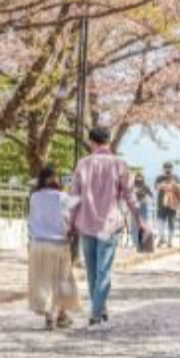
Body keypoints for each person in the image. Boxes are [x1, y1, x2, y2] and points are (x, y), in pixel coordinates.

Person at [70, 126, 146, 328]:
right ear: (109, 142)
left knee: (92, 271)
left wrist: (69, 222)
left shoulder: (82, 164)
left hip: (86, 223)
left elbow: (74, 197)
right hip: (109, 224)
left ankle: (98, 310)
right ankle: (97, 313)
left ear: (92, 142)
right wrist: (140, 221)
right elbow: (130, 196)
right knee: (103, 270)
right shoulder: (119, 164)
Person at [28, 164, 81, 331]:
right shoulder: (62, 197)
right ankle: (62, 315)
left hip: (38, 245)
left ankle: (49, 317)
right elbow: (71, 216)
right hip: (58, 244)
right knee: (63, 280)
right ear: (55, 179)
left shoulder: (34, 197)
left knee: (43, 280)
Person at [154, 162, 180, 248]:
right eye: (166, 168)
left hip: (173, 204)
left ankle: (170, 241)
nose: (168, 169)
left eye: (169, 168)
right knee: (160, 221)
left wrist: (175, 185)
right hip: (161, 204)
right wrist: (164, 185)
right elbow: (156, 188)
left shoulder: (176, 178)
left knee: (171, 222)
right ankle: (161, 238)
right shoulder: (159, 178)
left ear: (172, 169)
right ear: (163, 169)